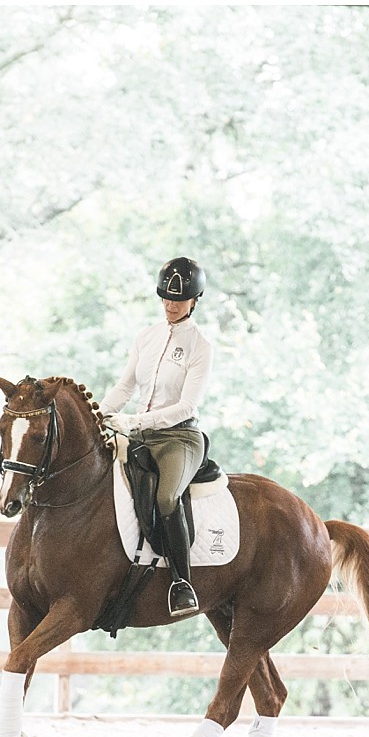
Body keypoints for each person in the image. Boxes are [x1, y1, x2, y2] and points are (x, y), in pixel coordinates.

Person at [100, 257, 214, 620]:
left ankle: (182, 583)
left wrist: (135, 422)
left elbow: (186, 406)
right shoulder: (146, 337)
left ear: (194, 300)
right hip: (140, 434)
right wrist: (99, 413)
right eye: (166, 297)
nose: (170, 305)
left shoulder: (200, 346)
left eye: (178, 300)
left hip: (179, 438)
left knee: (166, 497)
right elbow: (125, 386)